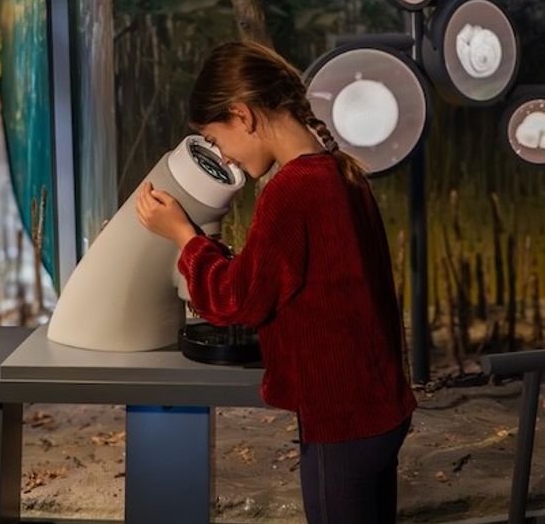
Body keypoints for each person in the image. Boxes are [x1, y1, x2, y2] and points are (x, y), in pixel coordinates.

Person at [135, 40, 417, 524]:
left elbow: (237, 299)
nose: (225, 157)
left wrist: (184, 237)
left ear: (242, 115)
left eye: (217, 140)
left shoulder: (293, 189)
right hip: (379, 408)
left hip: (341, 418)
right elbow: (276, 277)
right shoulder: (340, 173)